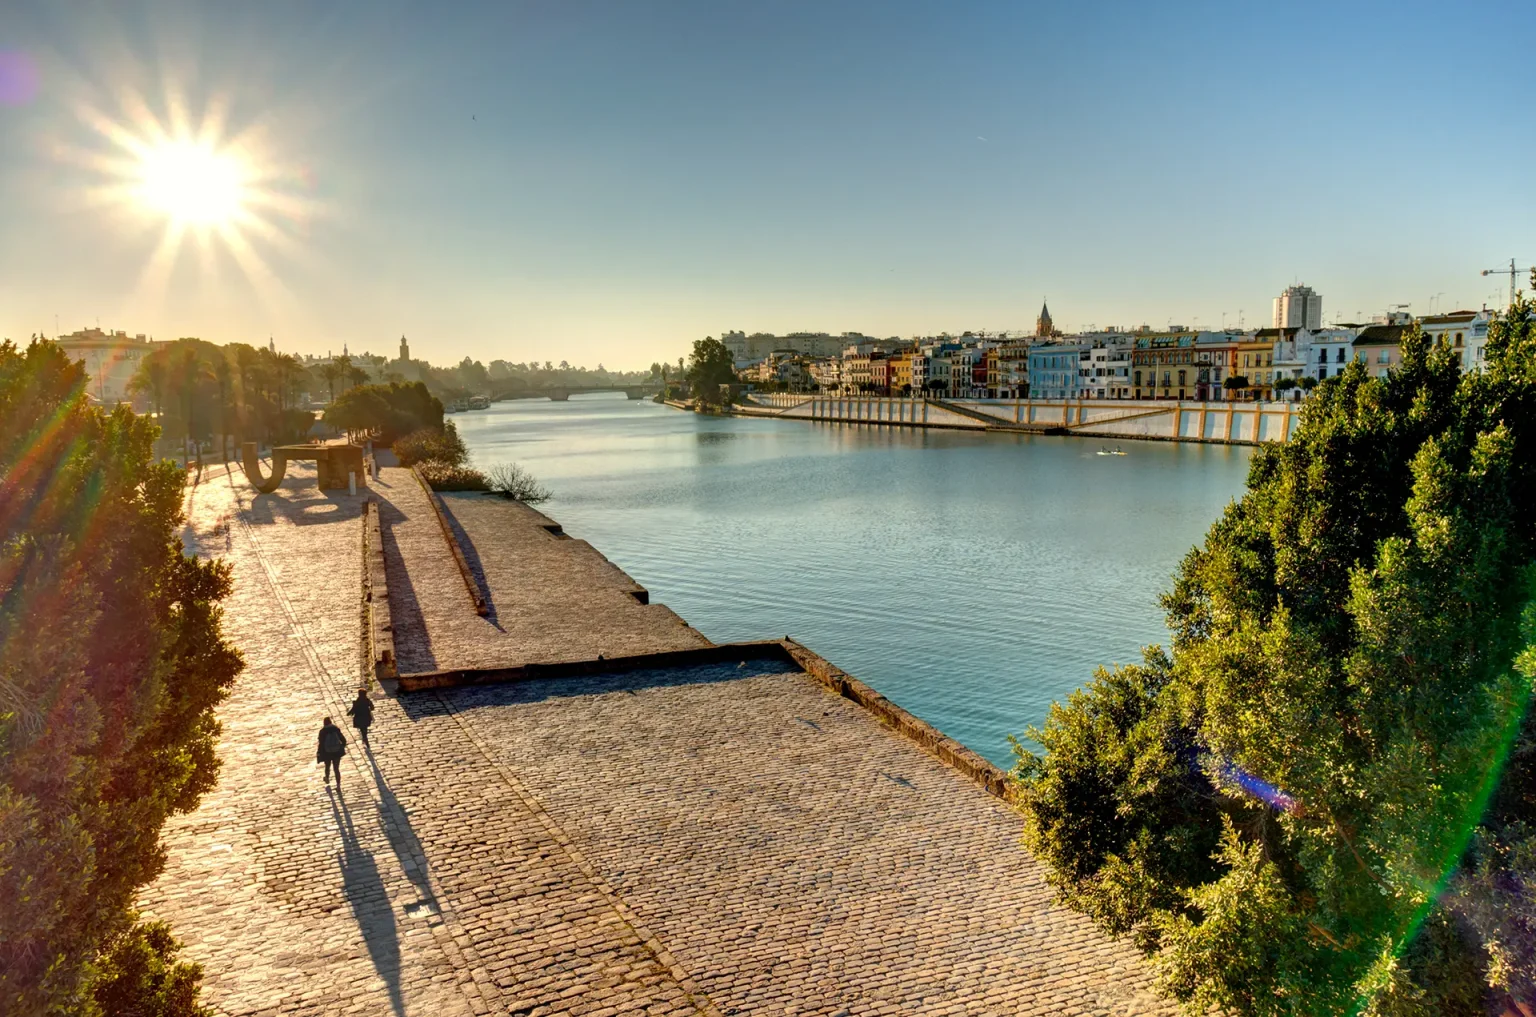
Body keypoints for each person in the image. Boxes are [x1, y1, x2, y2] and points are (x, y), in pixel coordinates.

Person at [317, 717, 347, 787]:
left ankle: (327, 778)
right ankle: (338, 785)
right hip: (337, 752)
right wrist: (341, 746)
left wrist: (319, 752)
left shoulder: (322, 731)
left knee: (327, 766)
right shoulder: (336, 729)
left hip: (327, 752)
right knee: (336, 769)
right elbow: (343, 740)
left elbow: (321, 743)